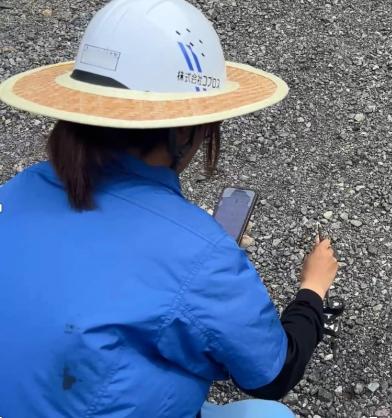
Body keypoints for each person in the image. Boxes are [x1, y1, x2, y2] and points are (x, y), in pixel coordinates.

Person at [0, 0, 338, 417]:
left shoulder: (18, 189)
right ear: (183, 131)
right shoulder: (200, 254)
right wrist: (312, 290)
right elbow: (273, 374)